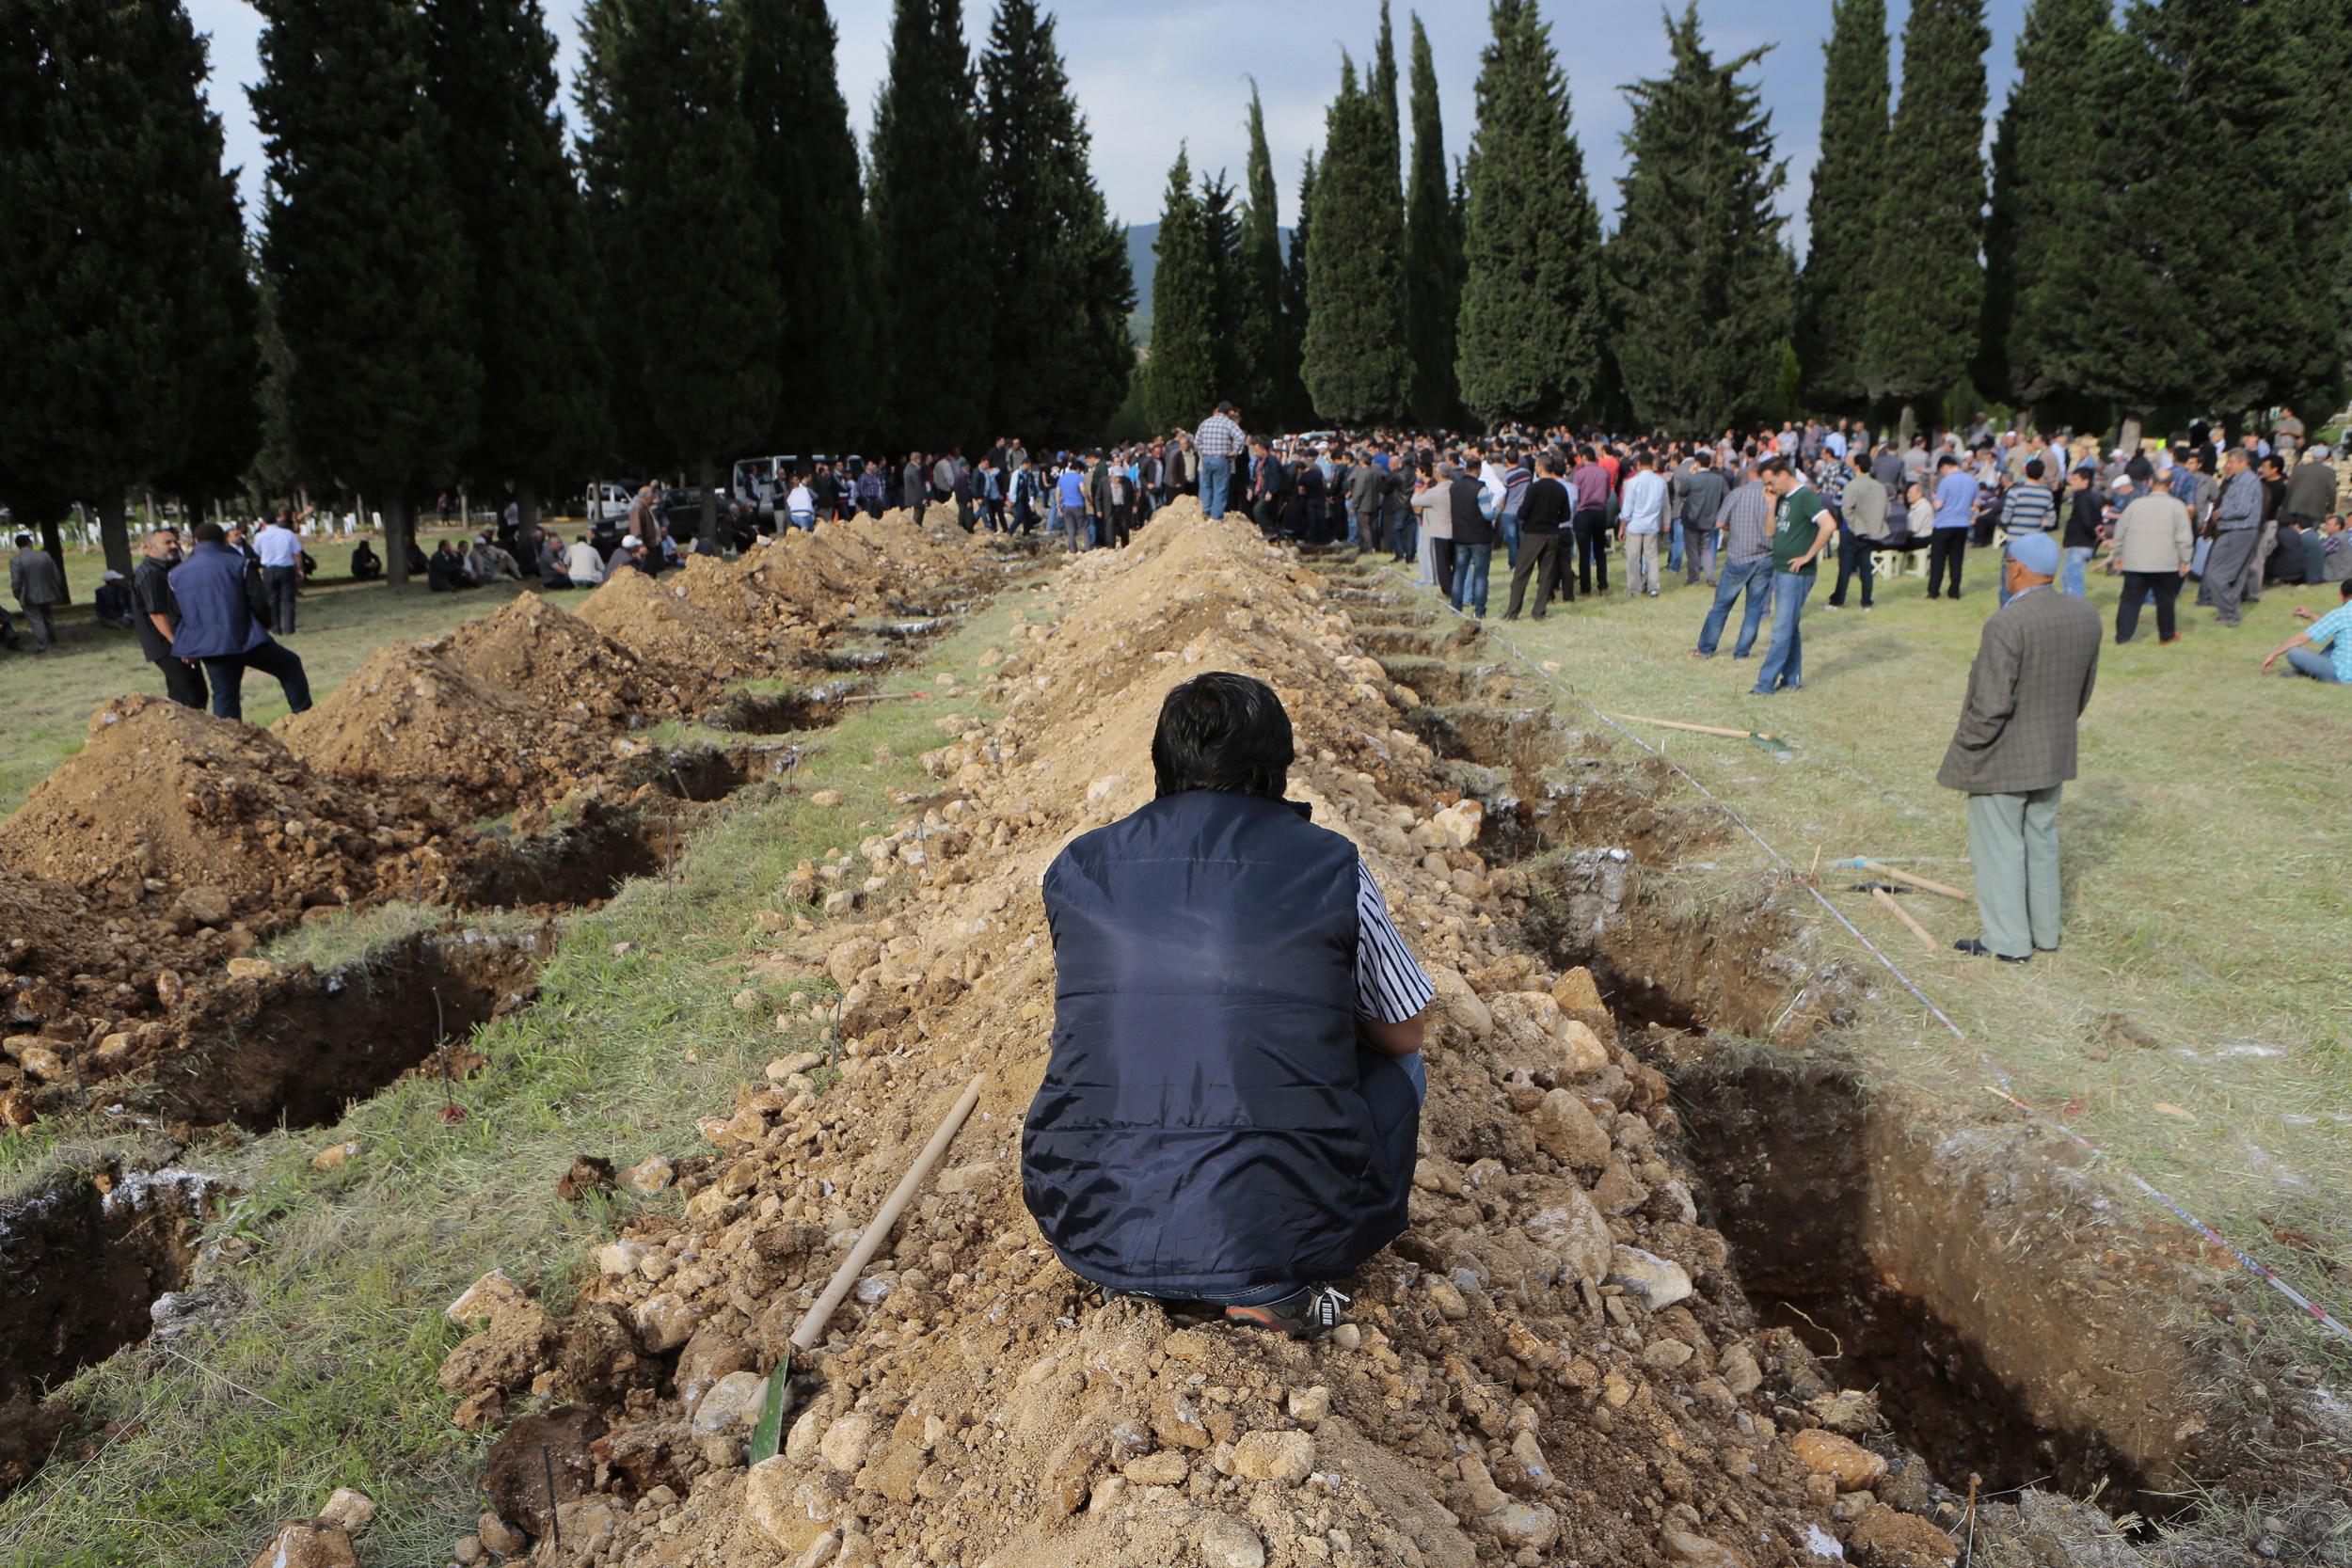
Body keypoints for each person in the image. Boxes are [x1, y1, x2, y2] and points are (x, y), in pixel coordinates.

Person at [1021, 673, 1431, 1339]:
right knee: (1397, 1071)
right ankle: (1267, 1276)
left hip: (1091, 1223)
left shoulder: (1080, 868)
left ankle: (1149, 1272)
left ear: (1163, 762)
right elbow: (1405, 1030)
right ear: (1275, 771)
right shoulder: (1331, 865)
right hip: (1284, 1236)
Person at [1937, 532, 2101, 962]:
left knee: (2000, 848)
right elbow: (2082, 690)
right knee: (2041, 840)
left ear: (2016, 568)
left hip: (2003, 756)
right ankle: (2044, 933)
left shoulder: (2008, 622)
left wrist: (1968, 747)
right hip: (2053, 750)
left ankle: (2008, 941)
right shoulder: (2084, 613)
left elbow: (1990, 703)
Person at [168, 521, 312, 721]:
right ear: (223, 540)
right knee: (289, 665)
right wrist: (265, 625)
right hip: (246, 638)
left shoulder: (176, 574)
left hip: (211, 646)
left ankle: (230, 742)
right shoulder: (239, 564)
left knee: (225, 697)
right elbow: (259, 601)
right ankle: (304, 717)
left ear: (196, 541)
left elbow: (177, 614)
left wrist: (186, 646)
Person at [1750, 457, 1832, 697]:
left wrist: (1808, 555)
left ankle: (1764, 684)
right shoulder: (1782, 497)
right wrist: (1771, 504)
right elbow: (1770, 531)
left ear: (1784, 474)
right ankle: (1792, 679)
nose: (1770, 487)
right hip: (1781, 570)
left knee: (1780, 631)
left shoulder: (1805, 497)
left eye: (1771, 482)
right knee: (1790, 627)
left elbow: (1828, 525)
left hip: (1796, 575)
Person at [1694, 462, 1773, 659]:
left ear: (1751, 473)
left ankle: (1706, 648)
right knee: (1754, 609)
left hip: (1739, 556)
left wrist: (1734, 528)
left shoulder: (1738, 493)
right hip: (1766, 557)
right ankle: (1742, 652)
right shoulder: (1774, 497)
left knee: (1721, 606)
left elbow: (1720, 522)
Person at [2108, 457, 2192, 644]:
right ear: (2172, 485)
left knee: (2129, 600)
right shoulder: (2177, 507)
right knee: (2166, 601)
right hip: (2166, 563)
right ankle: (2167, 635)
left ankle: (2122, 637)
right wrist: (2185, 561)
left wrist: (2117, 555)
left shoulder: (2136, 504)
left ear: (2150, 482)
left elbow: (2120, 531)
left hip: (2135, 561)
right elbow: (2184, 537)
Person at [133, 527, 207, 707]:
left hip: (175, 639)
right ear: (150, 548)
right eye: (167, 543)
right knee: (194, 694)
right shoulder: (150, 573)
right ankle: (191, 733)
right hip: (165, 643)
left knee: (180, 695)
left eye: (175, 541)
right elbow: (157, 614)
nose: (174, 546)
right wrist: (178, 644)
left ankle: (177, 733)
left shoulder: (167, 568)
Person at [1502, 451, 1573, 620]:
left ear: (1540, 468)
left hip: (1534, 534)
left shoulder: (1534, 488)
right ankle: (1539, 611)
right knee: (1546, 574)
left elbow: (1522, 513)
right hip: (1553, 534)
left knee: (1522, 573)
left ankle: (1513, 612)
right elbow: (1566, 516)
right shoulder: (1560, 489)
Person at [2204, 448, 2265, 627]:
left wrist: (2220, 513)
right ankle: (2228, 614)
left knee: (2215, 574)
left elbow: (2242, 509)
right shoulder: (2237, 480)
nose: (2227, 466)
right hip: (2236, 531)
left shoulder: (2246, 481)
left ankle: (2230, 613)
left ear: (2243, 462)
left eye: (2231, 462)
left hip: (2238, 531)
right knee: (2235, 575)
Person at [1826, 454, 1887, 610]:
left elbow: (1845, 509)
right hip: (1870, 531)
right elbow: (1885, 509)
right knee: (1866, 567)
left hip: (1852, 531)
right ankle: (1867, 601)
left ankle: (1838, 600)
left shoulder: (1852, 485)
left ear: (1857, 466)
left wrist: (1855, 525)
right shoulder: (1879, 486)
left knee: (1845, 568)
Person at [2263, 578, 2352, 684]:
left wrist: (2274, 653)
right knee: (2337, 640)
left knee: (2294, 652)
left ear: (2341, 596)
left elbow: (2303, 638)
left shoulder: (2341, 614)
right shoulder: (2342, 616)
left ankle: (2309, 672)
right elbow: (2333, 626)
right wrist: (2311, 615)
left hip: (2342, 675)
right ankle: (2309, 671)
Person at [1928, 454, 1977, 599]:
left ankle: (1933, 591)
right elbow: (1976, 502)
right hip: (1962, 524)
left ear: (1944, 466)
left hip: (1944, 523)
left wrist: (1933, 497)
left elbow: (1938, 505)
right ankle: (1954, 591)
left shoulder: (1946, 482)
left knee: (1938, 559)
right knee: (1956, 559)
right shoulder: (1972, 480)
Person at [1447, 460, 1493, 616]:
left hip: (1460, 536)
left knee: (1459, 573)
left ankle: (1456, 607)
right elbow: (1488, 514)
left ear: (1466, 469)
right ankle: (1479, 611)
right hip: (1480, 537)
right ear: (1479, 470)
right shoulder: (1481, 488)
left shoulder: (1454, 487)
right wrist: (1497, 511)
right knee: (1480, 576)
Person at [1619, 452, 1667, 598]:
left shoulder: (1632, 482)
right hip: (1652, 523)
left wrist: (1622, 526)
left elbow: (1627, 508)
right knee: (1652, 557)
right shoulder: (1660, 481)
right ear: (1653, 464)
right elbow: (1664, 504)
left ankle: (1635, 589)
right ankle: (1653, 587)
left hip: (1635, 524)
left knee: (1633, 558)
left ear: (1638, 465)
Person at [1678, 449, 1727, 587]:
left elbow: (1682, 492)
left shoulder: (1693, 479)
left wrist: (1690, 475)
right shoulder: (1718, 479)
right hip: (1710, 518)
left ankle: (1693, 577)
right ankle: (1710, 576)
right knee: (1706, 548)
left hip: (1691, 518)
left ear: (1697, 464)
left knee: (1692, 549)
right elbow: (1727, 496)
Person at [9, 533, 65, 652]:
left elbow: (16, 581)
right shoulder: (45, 556)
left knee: (36, 620)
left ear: (18, 546)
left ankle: (43, 644)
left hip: (28, 594)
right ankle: (54, 641)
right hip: (48, 592)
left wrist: (17, 594)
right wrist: (56, 587)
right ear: (29, 543)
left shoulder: (16, 560)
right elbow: (56, 575)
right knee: (48, 617)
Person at [1569, 446, 1612, 594]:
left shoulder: (1579, 474)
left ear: (1584, 457)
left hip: (1584, 512)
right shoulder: (1604, 472)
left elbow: (1575, 497)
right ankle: (1603, 585)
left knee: (1584, 552)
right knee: (1600, 550)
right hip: (1600, 512)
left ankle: (1585, 588)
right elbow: (1607, 493)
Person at [254, 510, 305, 634]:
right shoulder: (287, 533)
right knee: (288, 599)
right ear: (277, 520)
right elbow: (297, 553)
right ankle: (289, 628)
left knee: (272, 599)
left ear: (264, 522)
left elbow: (256, 552)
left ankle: (275, 628)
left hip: (269, 568)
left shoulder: (260, 536)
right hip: (286, 567)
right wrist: (299, 568)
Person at [1195, 403, 1247, 520]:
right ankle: (1216, 516)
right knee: (1220, 488)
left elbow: (1197, 441)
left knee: (1206, 485)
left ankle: (1206, 510)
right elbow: (1241, 436)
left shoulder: (1205, 422)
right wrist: (1235, 451)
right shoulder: (1229, 424)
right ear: (1229, 412)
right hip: (1221, 459)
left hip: (1206, 458)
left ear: (1217, 409)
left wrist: (1204, 451)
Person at [2058, 465, 2104, 598]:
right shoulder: (2094, 497)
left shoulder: (2082, 497)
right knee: (2068, 577)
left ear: (2085, 481)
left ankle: (2075, 610)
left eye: (2076, 479)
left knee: (2072, 580)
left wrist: (2092, 534)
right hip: (2084, 542)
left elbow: (2087, 520)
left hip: (2079, 543)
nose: (2072, 482)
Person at [1056, 459, 1091, 553]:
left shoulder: (1062, 478)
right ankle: (1088, 548)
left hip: (1066, 506)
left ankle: (1072, 550)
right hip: (1078, 505)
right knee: (1084, 527)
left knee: (1070, 529)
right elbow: (1083, 490)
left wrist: (1058, 506)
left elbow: (1058, 493)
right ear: (1078, 468)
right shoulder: (1079, 477)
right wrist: (1088, 499)